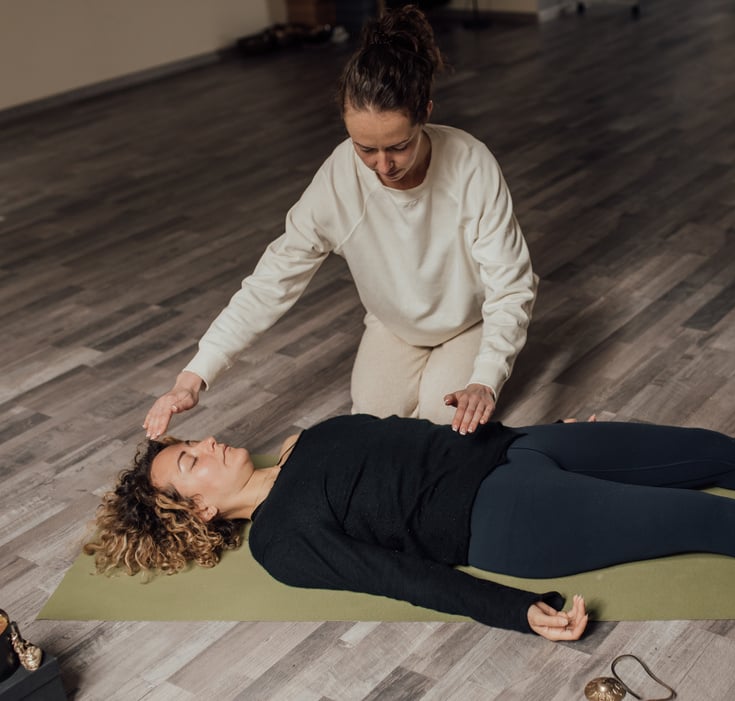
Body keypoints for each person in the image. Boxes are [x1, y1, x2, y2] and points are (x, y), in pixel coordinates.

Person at [92, 381, 735, 641]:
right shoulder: (283, 545)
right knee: (702, 514)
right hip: (505, 519)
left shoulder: (300, 440)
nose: (210, 444)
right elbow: (402, 577)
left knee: (700, 450)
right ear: (197, 513)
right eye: (190, 460)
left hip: (514, 445)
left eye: (196, 440)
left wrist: (503, 413)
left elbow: (415, 437)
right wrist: (516, 605)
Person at [143, 5, 537, 439]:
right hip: (394, 327)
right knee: (369, 425)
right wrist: (194, 375)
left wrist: (485, 377)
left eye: (398, 147)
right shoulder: (338, 178)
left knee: (442, 425)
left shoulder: (471, 163)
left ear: (424, 112)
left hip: (469, 323)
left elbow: (511, 285)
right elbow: (274, 279)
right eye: (365, 148)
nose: (382, 166)